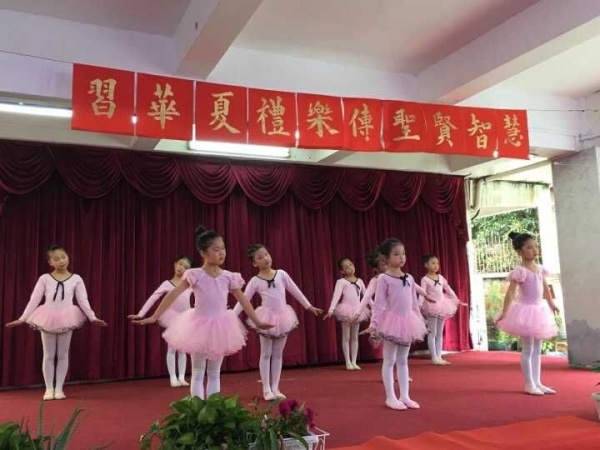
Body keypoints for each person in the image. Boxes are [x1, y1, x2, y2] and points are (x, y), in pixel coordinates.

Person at [134, 226, 272, 399]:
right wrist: (154, 316)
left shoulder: (229, 276)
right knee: (198, 372)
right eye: (216, 249)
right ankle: (197, 409)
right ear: (203, 253)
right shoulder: (194, 274)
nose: (222, 253)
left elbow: (244, 300)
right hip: (198, 326)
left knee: (214, 373)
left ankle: (212, 409)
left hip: (221, 326)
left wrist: (257, 321)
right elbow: (172, 294)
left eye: (223, 248)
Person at [5, 245, 107, 400]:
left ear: (68, 257)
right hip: (47, 317)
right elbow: (34, 299)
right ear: (50, 262)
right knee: (48, 355)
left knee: (63, 354)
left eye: (63, 257)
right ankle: (49, 389)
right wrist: (23, 318)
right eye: (57, 259)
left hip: (68, 317)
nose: (61, 261)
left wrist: (92, 317)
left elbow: (83, 300)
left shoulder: (76, 279)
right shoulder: (45, 278)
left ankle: (59, 388)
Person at [234, 244, 322, 400]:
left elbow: (295, 290)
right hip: (266, 318)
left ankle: (275, 387)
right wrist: (233, 315)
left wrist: (308, 306)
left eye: (266, 254)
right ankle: (266, 389)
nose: (265, 258)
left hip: (283, 318)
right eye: (260, 257)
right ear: (254, 263)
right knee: (266, 353)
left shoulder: (281, 274)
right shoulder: (255, 281)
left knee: (278, 354)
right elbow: (244, 300)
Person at [360, 238, 435, 410]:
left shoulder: (409, 278)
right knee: (389, 360)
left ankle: (405, 396)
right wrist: (374, 324)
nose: (401, 257)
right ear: (386, 258)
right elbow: (378, 304)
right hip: (391, 323)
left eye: (403, 253)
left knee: (403, 360)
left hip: (408, 323)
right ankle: (390, 397)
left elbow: (414, 304)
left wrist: (422, 322)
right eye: (396, 254)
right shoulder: (383, 279)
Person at [496, 232, 559, 396]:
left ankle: (538, 382)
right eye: (529, 247)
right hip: (525, 312)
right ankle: (529, 384)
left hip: (539, 311)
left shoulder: (540, 269)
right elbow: (511, 292)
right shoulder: (520, 271)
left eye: (535, 246)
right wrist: (505, 311)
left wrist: (551, 303)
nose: (534, 250)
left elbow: (545, 288)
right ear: (519, 251)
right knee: (528, 348)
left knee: (537, 349)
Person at [128, 256, 193, 387]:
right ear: (175, 265)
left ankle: (181, 377)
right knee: (172, 347)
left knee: (182, 349)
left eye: (186, 267)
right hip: (171, 317)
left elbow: (201, 297)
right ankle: (173, 378)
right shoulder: (166, 284)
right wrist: (141, 314)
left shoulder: (189, 285)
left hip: (185, 317)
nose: (182, 268)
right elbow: (153, 297)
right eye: (180, 264)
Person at [420, 255, 467, 365]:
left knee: (440, 333)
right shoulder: (425, 279)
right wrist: (419, 304)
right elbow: (422, 293)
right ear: (426, 265)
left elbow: (448, 289)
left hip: (443, 306)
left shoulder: (440, 277)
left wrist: (457, 300)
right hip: (431, 306)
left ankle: (439, 356)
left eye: (437, 263)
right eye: (433, 263)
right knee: (432, 332)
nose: (436, 265)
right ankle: (434, 358)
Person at [324, 258, 367, 370]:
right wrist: (331, 309)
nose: (350, 268)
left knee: (355, 337)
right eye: (346, 267)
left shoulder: (360, 281)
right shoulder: (341, 282)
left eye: (351, 264)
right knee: (346, 337)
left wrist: (375, 307)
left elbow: (366, 297)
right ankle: (348, 362)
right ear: (342, 271)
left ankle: (354, 361)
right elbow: (336, 296)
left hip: (357, 311)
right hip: (346, 311)